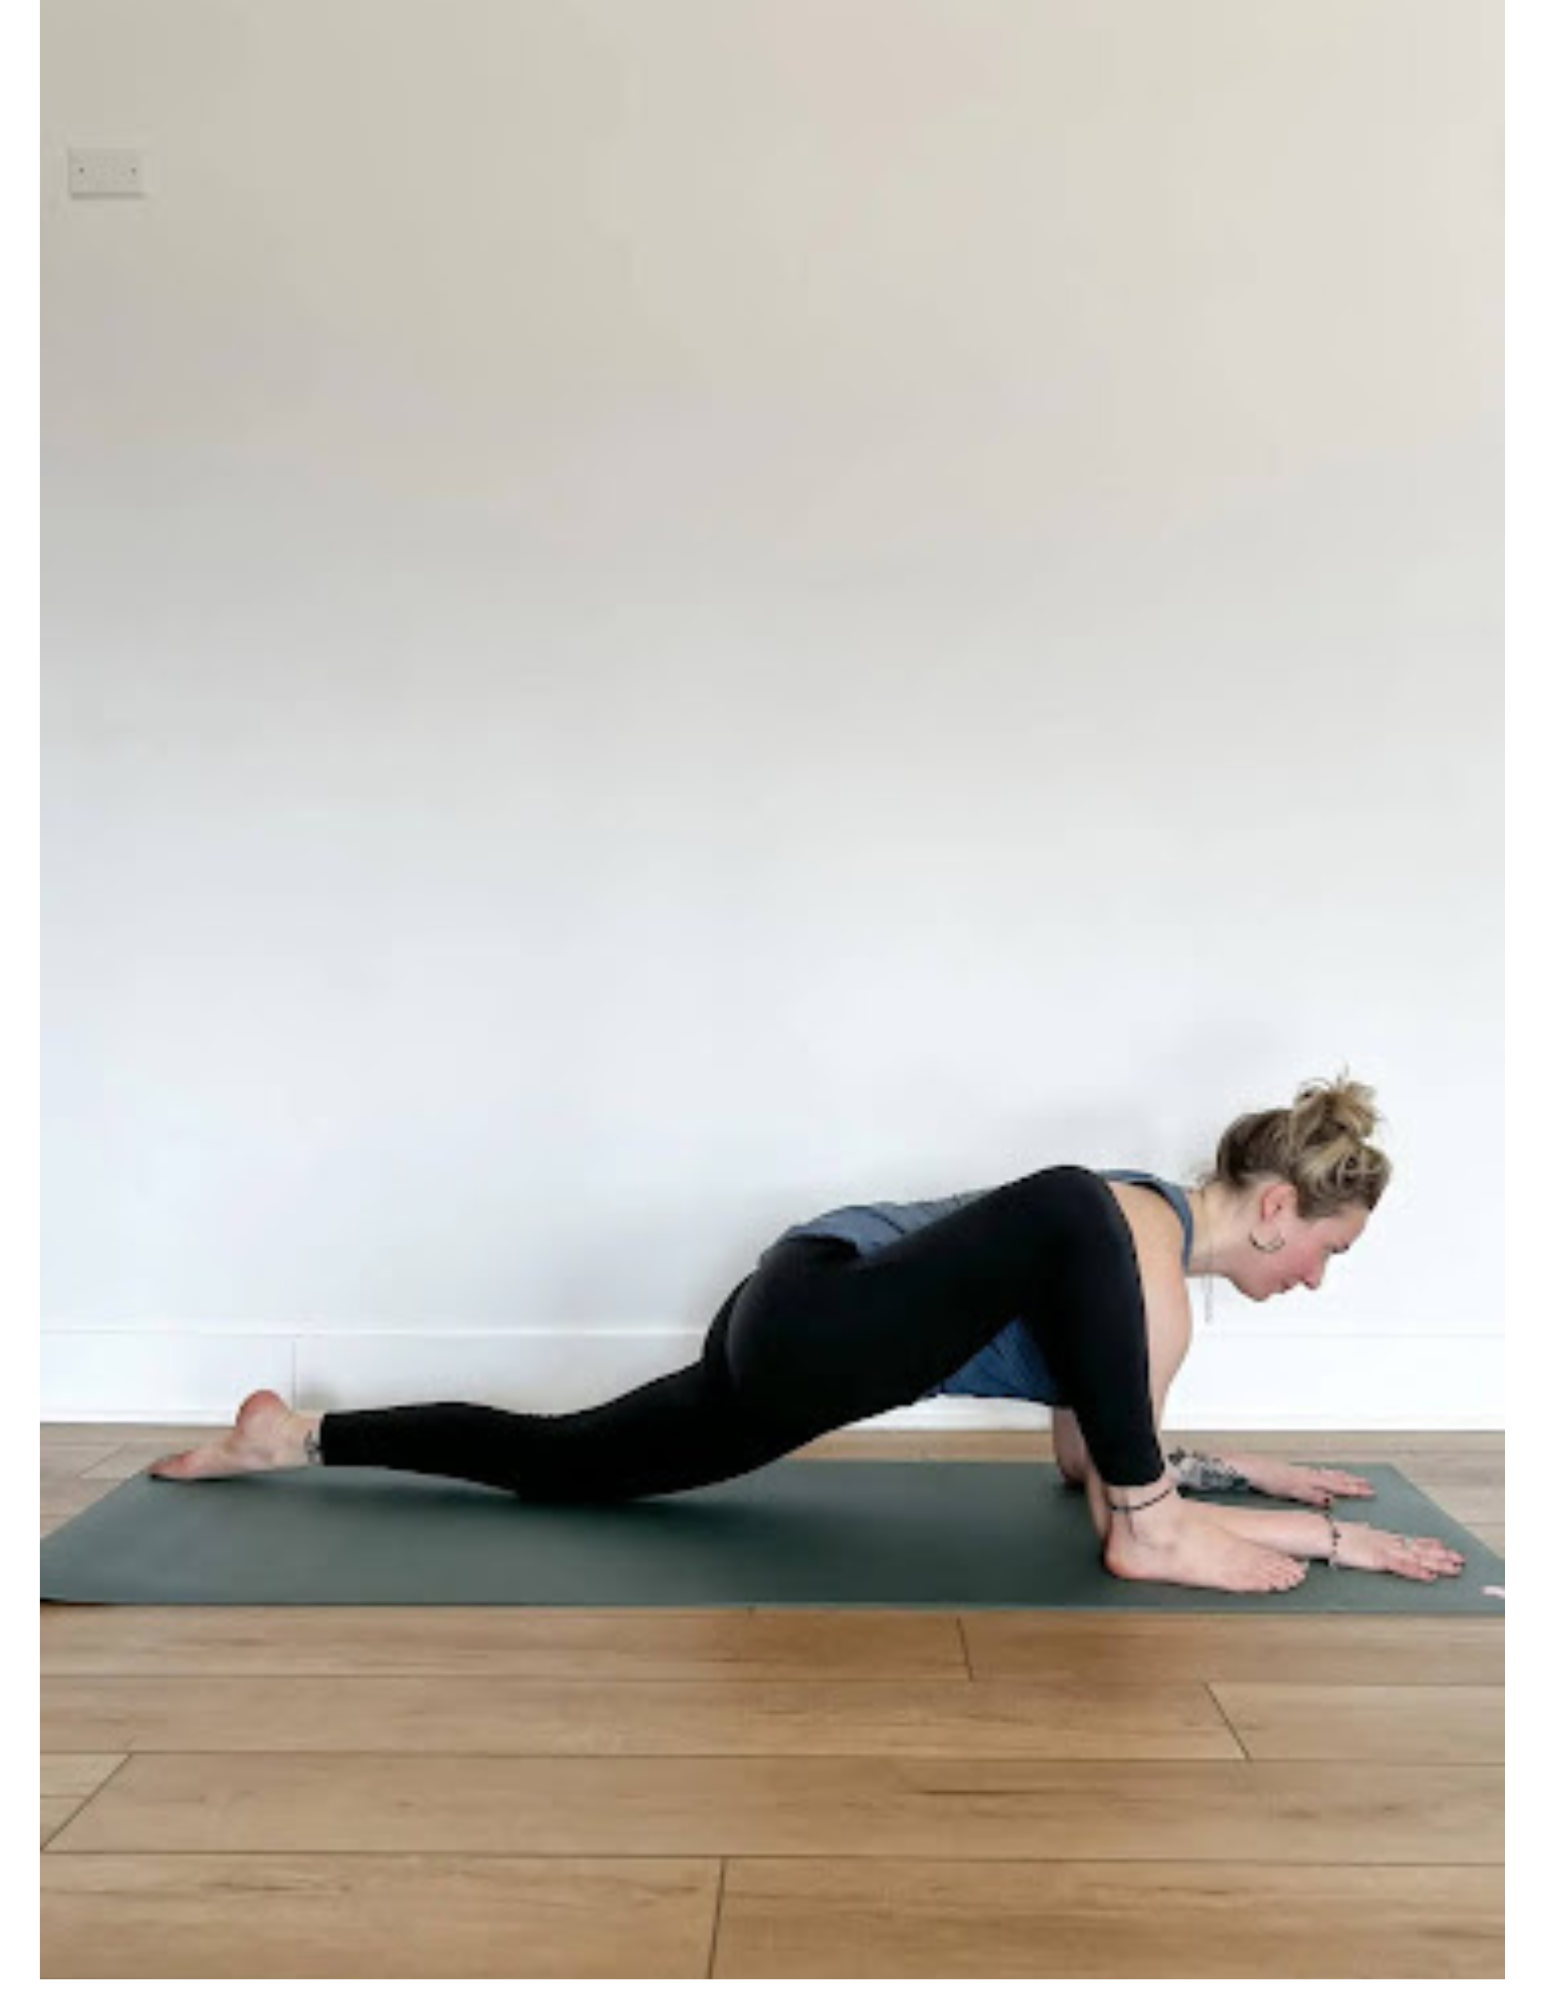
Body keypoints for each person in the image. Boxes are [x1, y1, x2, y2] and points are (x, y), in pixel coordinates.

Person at [150, 1072, 1466, 1595]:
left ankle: (300, 1437)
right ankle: (1163, 1517)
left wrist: (1259, 1490)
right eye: (1328, 1254)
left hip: (790, 1344)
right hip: (826, 1307)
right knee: (1074, 1207)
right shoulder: (1124, 1232)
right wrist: (1259, 1527)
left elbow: (1092, 1457)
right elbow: (1115, 1493)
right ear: (1282, 1208)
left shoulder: (1144, 1288)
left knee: (569, 1461)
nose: (1319, 1283)